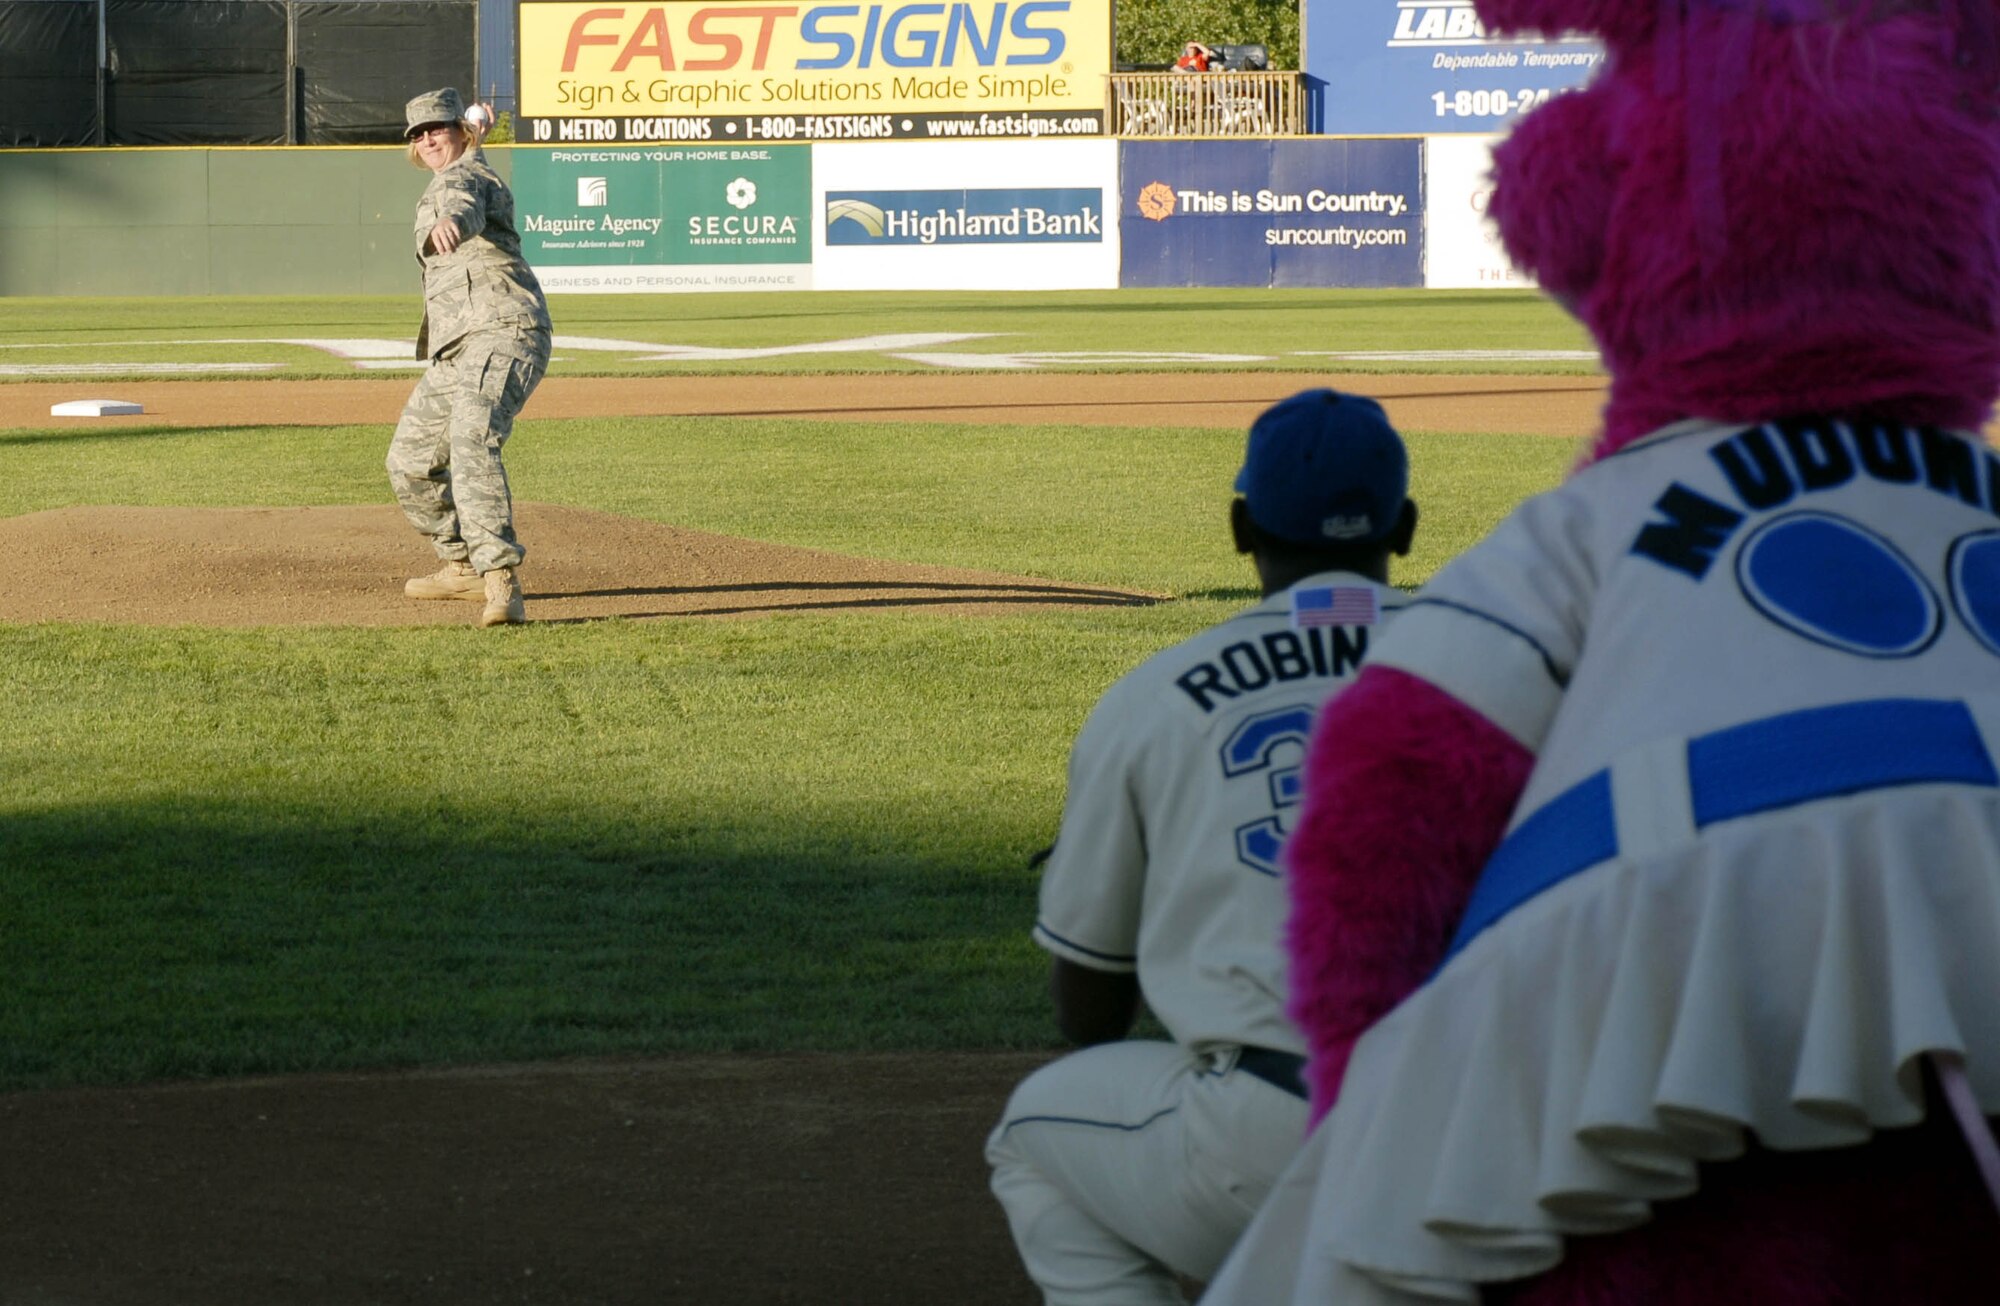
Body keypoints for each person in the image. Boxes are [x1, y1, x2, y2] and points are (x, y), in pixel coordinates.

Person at [985, 389, 1420, 1305]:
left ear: (1239, 527)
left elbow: (1088, 1016)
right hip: (1531, 1122)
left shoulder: (1155, 699)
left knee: (1035, 1138)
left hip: (1288, 1132)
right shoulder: (1528, 666)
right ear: (1405, 527)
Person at [387, 86, 552, 627]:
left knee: (472, 439)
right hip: (457, 346)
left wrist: (452, 221)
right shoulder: (442, 180)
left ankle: (501, 578)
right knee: (409, 462)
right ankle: (460, 567)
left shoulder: (467, 178)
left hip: (505, 329)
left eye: (438, 127)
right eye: (419, 133)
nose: (429, 139)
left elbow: (464, 206)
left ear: (462, 131)